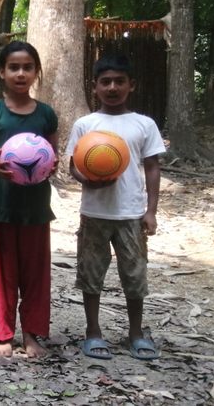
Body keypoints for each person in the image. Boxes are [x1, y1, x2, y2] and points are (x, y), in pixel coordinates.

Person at [66, 54, 164, 361]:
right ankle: (93, 332)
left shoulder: (144, 124)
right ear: (95, 86)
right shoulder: (85, 124)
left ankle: (136, 334)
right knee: (91, 274)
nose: (112, 87)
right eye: (105, 82)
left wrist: (151, 211)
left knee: (134, 275)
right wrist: (87, 180)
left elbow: (152, 167)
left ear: (131, 85)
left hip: (131, 214)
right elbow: (72, 165)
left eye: (119, 81)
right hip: (94, 213)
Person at [0, 41, 59, 358]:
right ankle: (3, 335)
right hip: (2, 205)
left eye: (27, 67)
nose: (21, 73)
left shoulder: (46, 114)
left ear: (36, 72)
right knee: (4, 273)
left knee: (35, 274)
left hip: (35, 207)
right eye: (14, 67)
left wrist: (50, 165)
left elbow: (52, 155)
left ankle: (32, 334)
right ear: (2, 72)